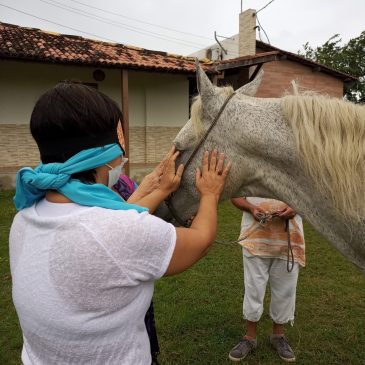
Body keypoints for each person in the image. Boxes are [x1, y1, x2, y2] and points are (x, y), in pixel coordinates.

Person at [9, 81, 231, 365]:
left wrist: (158, 187)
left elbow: (112, 228)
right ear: (103, 152)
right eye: (118, 137)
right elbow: (200, 242)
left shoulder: (24, 219)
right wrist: (210, 194)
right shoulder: (118, 231)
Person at [229, 197, 305, 363]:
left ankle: (278, 336)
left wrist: (295, 206)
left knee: (285, 291)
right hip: (255, 238)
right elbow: (235, 196)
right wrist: (251, 208)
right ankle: (250, 337)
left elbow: (308, 195)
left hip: (289, 240)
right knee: (253, 289)